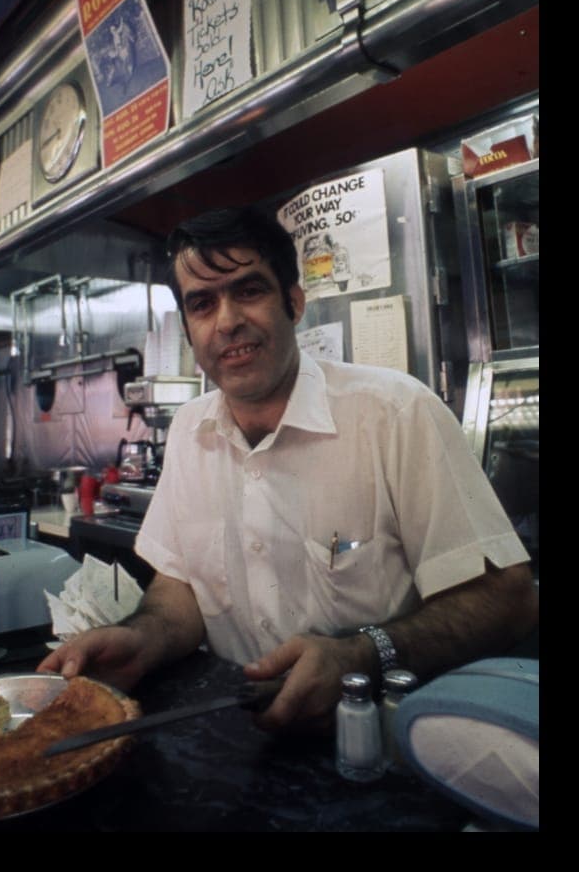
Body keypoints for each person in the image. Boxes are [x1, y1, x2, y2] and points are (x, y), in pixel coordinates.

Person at [39, 206, 538, 733]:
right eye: (203, 303)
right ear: (189, 331)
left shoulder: (395, 414)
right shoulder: (190, 431)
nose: (227, 321)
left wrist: (362, 655)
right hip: (237, 737)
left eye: (248, 290)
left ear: (294, 302)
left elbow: (508, 599)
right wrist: (142, 637)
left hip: (384, 748)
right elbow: (181, 586)